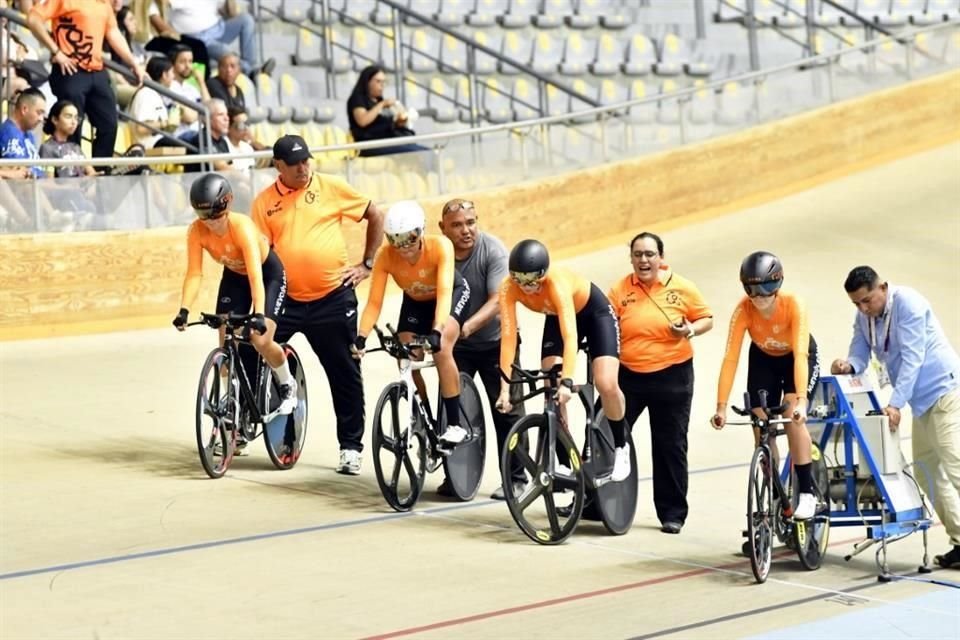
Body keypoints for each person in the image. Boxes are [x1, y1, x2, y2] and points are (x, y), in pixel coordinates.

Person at [250, 134, 385, 476]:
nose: (303, 167)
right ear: (277, 166)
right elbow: (259, 255)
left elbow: (376, 214)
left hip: (333, 297)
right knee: (254, 347)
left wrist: (367, 263)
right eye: (294, 163)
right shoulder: (264, 203)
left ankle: (351, 448)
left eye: (306, 160)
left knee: (344, 371)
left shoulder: (331, 186)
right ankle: (245, 424)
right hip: (287, 298)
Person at [831, 266, 960, 569]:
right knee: (928, 474)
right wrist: (849, 365)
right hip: (921, 401)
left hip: (944, 392)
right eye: (856, 304)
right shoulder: (865, 316)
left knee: (955, 465)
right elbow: (860, 350)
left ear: (882, 288)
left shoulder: (909, 304)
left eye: (867, 301)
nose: (863, 308)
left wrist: (896, 403)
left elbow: (914, 358)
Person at [496, 239, 632, 482]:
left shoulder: (556, 283)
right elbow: (508, 338)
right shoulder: (508, 287)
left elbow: (571, 337)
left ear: (543, 274)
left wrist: (568, 382)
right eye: (519, 279)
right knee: (550, 384)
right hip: (556, 315)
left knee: (605, 382)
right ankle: (565, 458)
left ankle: (622, 447)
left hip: (594, 315)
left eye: (531, 281)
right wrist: (504, 389)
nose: (525, 287)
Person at [172, 173, 298, 430]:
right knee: (226, 350)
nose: (211, 224)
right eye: (204, 217)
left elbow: (255, 275)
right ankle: (237, 414)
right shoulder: (196, 231)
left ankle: (286, 383)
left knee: (260, 339)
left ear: (227, 206)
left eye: (216, 216)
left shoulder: (241, 227)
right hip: (233, 277)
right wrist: (184, 310)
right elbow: (195, 273)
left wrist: (259, 314)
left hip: (267, 273)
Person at [607, 232, 714, 534]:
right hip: (629, 376)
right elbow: (606, 324)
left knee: (670, 444)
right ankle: (595, 501)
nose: (644, 260)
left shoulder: (682, 287)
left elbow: (707, 319)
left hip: (673, 375)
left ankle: (672, 513)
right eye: (638, 254)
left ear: (661, 258)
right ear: (631, 258)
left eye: (650, 254)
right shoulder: (619, 290)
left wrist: (690, 329)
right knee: (607, 436)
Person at [353, 200, 473, 455]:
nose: (403, 246)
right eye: (395, 240)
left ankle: (455, 424)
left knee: (441, 351)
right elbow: (374, 302)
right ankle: (423, 417)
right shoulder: (385, 255)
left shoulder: (440, 246)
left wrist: (438, 331)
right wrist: (361, 336)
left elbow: (443, 294)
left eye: (409, 238)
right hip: (415, 302)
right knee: (405, 356)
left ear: (421, 232)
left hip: (450, 295)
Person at [711, 251, 820, 523]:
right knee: (760, 423)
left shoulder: (794, 304)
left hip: (797, 357)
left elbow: (800, 356)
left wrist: (803, 402)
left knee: (793, 417)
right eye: (751, 289)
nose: (759, 296)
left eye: (766, 288)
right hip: (763, 358)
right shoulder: (743, 310)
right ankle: (775, 494)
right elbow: (731, 358)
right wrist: (721, 407)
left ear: (778, 284)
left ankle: (807, 492)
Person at [438, 198, 526, 499]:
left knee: (507, 410)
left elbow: (498, 301)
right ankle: (456, 477)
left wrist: (467, 327)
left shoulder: (493, 251)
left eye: (471, 222)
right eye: (458, 225)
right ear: (443, 229)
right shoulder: (441, 253)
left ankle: (516, 477)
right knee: (452, 408)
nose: (466, 230)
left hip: (496, 342)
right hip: (458, 345)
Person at [26, 0, 145, 160]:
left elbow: (113, 33)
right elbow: (33, 19)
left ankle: (100, 172)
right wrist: (56, 50)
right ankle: (71, 174)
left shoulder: (104, 5)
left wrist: (133, 63)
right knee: (71, 125)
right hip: (70, 70)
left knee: (109, 124)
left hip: (96, 70)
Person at [161, 0, 273, 78]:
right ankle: (252, 72)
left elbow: (231, 12)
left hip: (218, 28)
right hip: (197, 38)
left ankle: (251, 68)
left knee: (246, 20)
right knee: (226, 52)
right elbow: (162, 4)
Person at [346, 64, 426, 158]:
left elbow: (383, 124)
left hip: (387, 140)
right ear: (367, 82)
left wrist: (398, 121)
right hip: (369, 144)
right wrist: (382, 104)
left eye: (384, 82)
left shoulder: (379, 100)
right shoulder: (357, 99)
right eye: (378, 81)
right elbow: (363, 121)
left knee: (425, 152)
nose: (382, 85)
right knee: (417, 152)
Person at [0, 87, 44, 178]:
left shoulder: (29, 135)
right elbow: (20, 173)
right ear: (24, 109)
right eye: (39, 113)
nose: (41, 119)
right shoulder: (7, 133)